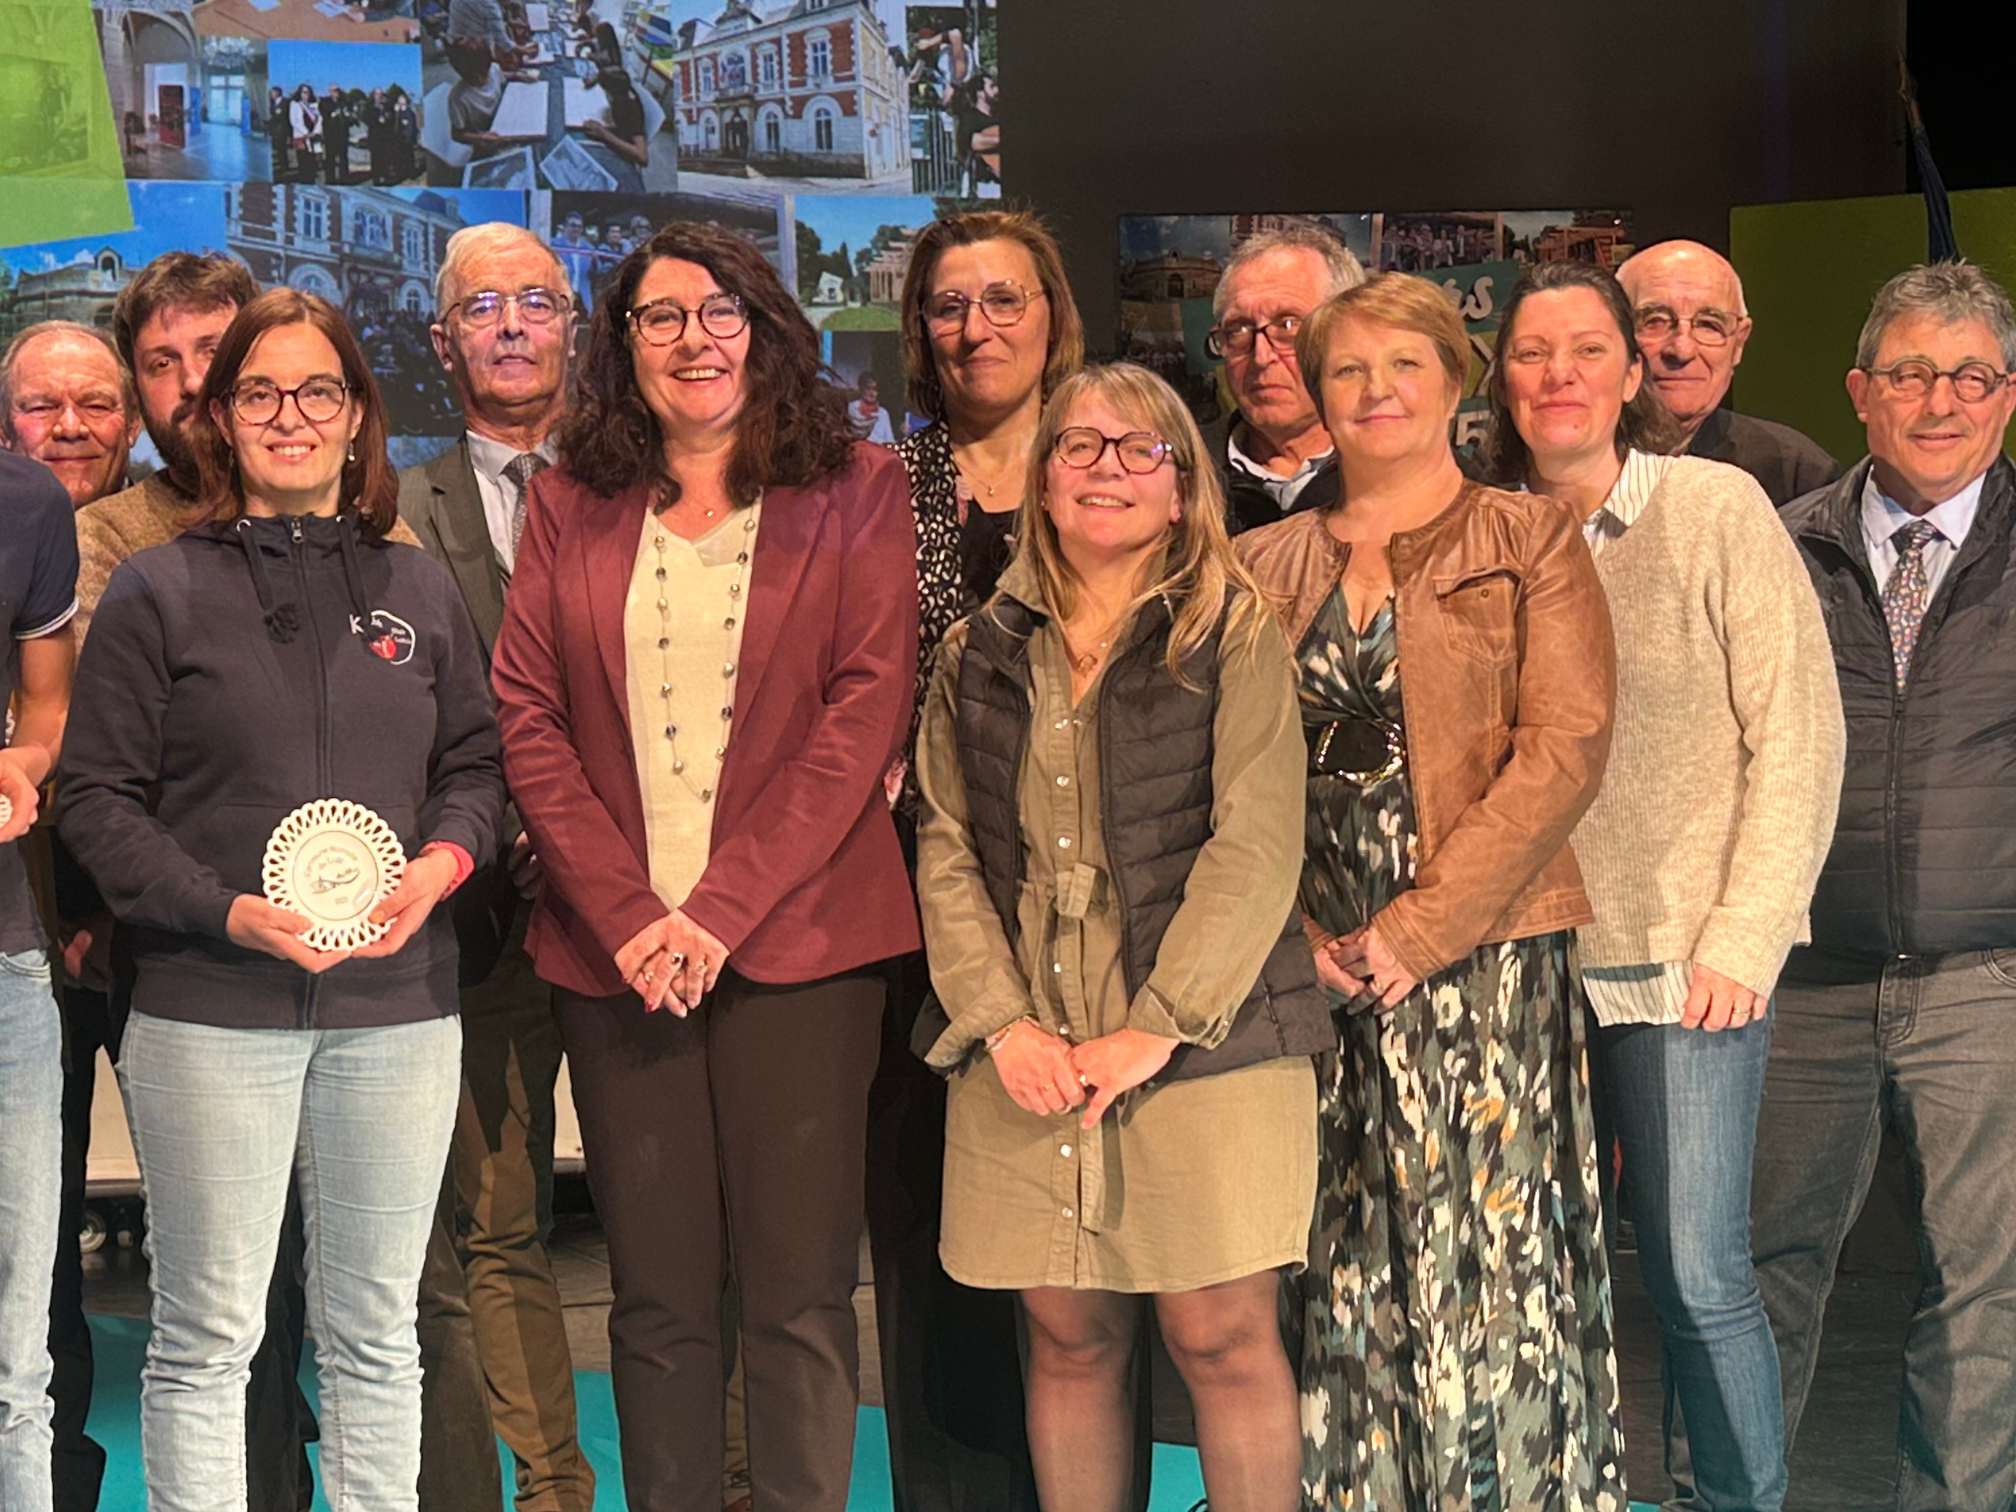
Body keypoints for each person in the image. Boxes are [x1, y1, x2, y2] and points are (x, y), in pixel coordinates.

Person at [490, 222, 919, 1512]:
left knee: (799, 1297)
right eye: (661, 317)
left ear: (765, 328)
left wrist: (715, 913)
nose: (694, 339)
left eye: (720, 311)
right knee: (658, 1299)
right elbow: (529, 718)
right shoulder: (568, 500)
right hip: (616, 960)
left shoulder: (859, 487)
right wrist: (631, 918)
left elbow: (863, 714)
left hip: (805, 951)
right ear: (623, 345)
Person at [57, 287, 505, 1512]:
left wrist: (442, 865)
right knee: (209, 1338)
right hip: (208, 1011)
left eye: (317, 390)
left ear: (358, 414)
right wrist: (220, 911)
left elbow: (476, 767)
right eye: (259, 392)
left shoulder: (417, 588)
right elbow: (96, 799)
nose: (289, 416)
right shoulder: (157, 589)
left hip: (397, 1012)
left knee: (376, 1335)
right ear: (220, 418)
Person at [1235, 272, 1624, 1511]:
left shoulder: (1530, 538)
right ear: (1317, 394)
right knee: (1342, 1255)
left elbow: (1565, 747)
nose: (1377, 391)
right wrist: (1299, 938)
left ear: (1457, 381)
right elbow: (1221, 773)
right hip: (1313, 972)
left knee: (1488, 1259)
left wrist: (1418, 930)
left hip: (1486, 958)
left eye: (1405, 364)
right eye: (1348, 369)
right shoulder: (1257, 562)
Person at [916, 361, 1327, 1512]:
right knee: (1069, 1336)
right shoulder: (975, 653)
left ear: (1183, 487)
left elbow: (1258, 844)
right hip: (1027, 1038)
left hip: (1209, 1028)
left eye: (1142, 448)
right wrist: (1002, 1027)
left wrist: (1158, 1027)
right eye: (1080, 445)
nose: (1109, 469)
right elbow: (946, 851)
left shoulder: (1233, 632)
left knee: (1221, 1337)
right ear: (1043, 480)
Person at [1483, 260, 1846, 1512]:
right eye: (1533, 351)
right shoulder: (1484, 532)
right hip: (1517, 970)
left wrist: (1748, 935)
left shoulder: (1711, 506)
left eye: (1589, 348)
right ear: (1502, 378)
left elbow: (1799, 732)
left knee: (1698, 1276)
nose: (1560, 374)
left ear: (1632, 372)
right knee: (1538, 1280)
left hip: (1685, 965)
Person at [1754, 260, 2016, 1512]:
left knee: (1986, 1288)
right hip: (1795, 975)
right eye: (1911, 373)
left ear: (2008, 397)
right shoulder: (1778, 545)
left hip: (1987, 977)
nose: (1941, 401)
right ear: (1860, 392)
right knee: (1755, 1273)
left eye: (1971, 376)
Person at [878, 206, 1085, 1512]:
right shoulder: (877, 484)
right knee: (926, 1232)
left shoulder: (1112, 460)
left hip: (1095, 912)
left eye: (1004, 299)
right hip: (918, 908)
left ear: (1052, 314)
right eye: (950, 304)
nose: (976, 327)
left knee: (1089, 1255)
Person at [398, 223, 596, 1512]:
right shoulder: (389, 510)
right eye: (484, 306)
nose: (513, 323)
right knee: (498, 1223)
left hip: (648, 917)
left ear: (573, 326)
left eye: (536, 299)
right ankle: (551, 1491)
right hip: (480, 919)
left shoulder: (653, 490)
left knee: (693, 1225)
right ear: (442, 340)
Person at [0, 319, 135, 1512]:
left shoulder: (169, 536)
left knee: (235, 1257)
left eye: (95, 403)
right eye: (43, 404)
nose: (70, 426)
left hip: (143, 944)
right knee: (30, 1272)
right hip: (32, 939)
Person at [0, 444, 80, 1512]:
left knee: (15, 1363)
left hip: (4, 957)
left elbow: (45, 708)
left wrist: (20, 768)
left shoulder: (25, 502)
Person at [1615, 240, 1839, 507]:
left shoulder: (1797, 474)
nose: (1682, 349)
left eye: (1708, 325)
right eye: (1655, 322)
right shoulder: (1572, 462)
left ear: (1739, 343)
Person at [1200, 223, 1365, 534]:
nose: (1261, 357)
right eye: (1238, 330)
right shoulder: (1179, 475)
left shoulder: (1409, 476)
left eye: (1288, 326)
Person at [0, 322, 141, 508]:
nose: (70, 428)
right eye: (41, 408)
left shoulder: (173, 525)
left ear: (133, 422)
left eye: (96, 406)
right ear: (3, 430)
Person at [846, 373, 895, 444]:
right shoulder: (854, 407)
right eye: (868, 389)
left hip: (882, 448)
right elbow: (858, 435)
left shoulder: (883, 413)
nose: (872, 393)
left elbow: (889, 439)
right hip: (862, 446)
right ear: (861, 389)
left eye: (875, 390)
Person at [287, 86, 320, 185]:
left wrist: (315, 132)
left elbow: (318, 119)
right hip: (301, 136)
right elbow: (294, 122)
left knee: (312, 159)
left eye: (308, 92)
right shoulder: (295, 104)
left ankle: (311, 179)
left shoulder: (313, 105)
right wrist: (306, 133)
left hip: (313, 136)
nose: (306, 95)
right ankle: (304, 180)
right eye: (304, 92)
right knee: (303, 159)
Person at [266, 86, 292, 181]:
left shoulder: (285, 102)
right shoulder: (273, 102)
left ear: (277, 93)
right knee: (277, 148)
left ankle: (285, 166)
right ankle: (281, 165)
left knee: (282, 148)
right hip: (275, 129)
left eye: (272, 92)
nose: (271, 94)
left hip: (283, 129)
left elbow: (285, 116)